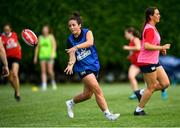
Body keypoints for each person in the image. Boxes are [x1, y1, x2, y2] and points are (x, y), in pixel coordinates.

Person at [64, 12, 120, 121]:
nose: (71, 27)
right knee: (97, 90)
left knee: (87, 95)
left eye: (73, 25)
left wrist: (76, 47)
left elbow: (90, 42)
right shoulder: (69, 40)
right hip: (82, 68)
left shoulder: (87, 32)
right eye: (69, 26)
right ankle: (108, 114)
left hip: (93, 66)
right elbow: (72, 55)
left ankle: (70, 102)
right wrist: (70, 65)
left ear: (79, 25)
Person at [134, 7, 171, 115]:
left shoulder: (153, 27)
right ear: (151, 16)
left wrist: (161, 49)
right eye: (157, 14)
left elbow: (152, 43)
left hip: (154, 60)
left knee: (165, 83)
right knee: (151, 87)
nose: (159, 15)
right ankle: (139, 110)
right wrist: (161, 47)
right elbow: (146, 46)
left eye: (159, 14)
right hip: (147, 61)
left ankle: (141, 92)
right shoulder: (149, 28)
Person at [1, 23, 22, 101]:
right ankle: (16, 90)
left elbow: (17, 42)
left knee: (15, 74)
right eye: (5, 30)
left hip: (16, 57)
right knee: (9, 79)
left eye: (8, 29)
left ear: (10, 29)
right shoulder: (1, 37)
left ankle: (18, 92)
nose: (6, 31)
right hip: (7, 59)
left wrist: (19, 47)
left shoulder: (14, 34)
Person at [34, 25, 57, 91]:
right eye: (43, 29)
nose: (44, 31)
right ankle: (44, 85)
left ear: (48, 30)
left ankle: (53, 82)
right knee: (43, 71)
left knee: (50, 71)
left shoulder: (51, 36)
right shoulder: (40, 37)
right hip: (42, 56)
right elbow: (37, 47)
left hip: (50, 56)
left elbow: (54, 45)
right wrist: (35, 57)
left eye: (46, 29)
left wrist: (52, 53)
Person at [123, 27, 141, 100]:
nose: (125, 35)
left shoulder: (135, 39)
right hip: (135, 63)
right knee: (131, 76)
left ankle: (162, 88)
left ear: (130, 33)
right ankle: (136, 93)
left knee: (150, 81)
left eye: (126, 34)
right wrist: (130, 56)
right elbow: (134, 51)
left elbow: (138, 48)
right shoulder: (131, 41)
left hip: (141, 62)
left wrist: (128, 48)